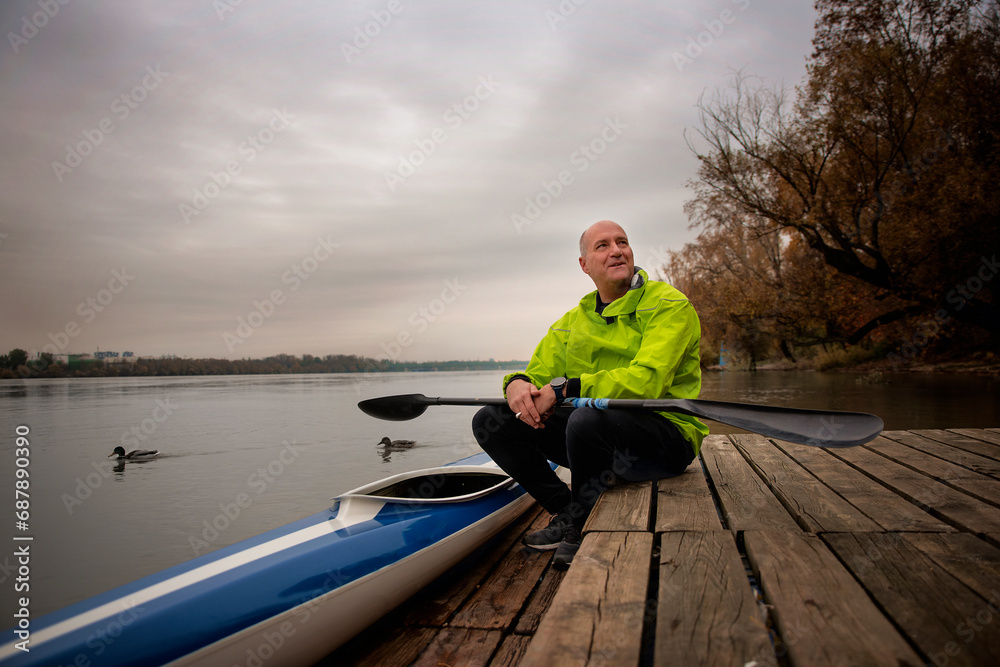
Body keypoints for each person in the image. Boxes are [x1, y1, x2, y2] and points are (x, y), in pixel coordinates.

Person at [472, 220, 708, 569]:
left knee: (584, 419)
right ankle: (566, 510)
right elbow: (537, 372)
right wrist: (517, 384)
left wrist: (568, 388)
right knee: (491, 420)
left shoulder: (669, 304)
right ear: (584, 265)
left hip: (665, 439)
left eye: (622, 242)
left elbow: (648, 382)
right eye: (603, 245)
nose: (616, 251)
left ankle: (580, 529)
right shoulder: (574, 320)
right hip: (598, 440)